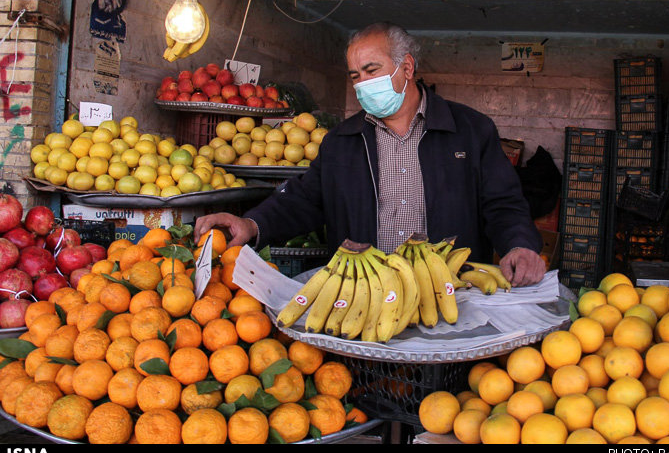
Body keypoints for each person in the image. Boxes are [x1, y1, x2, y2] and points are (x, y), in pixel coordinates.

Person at [195, 22, 546, 286]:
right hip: (364, 290)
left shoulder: (470, 130)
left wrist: (519, 244)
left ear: (406, 68)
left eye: (372, 70)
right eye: (355, 75)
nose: (362, 83)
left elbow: (503, 203)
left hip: (450, 290)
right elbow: (303, 199)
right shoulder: (342, 141)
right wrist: (251, 223)